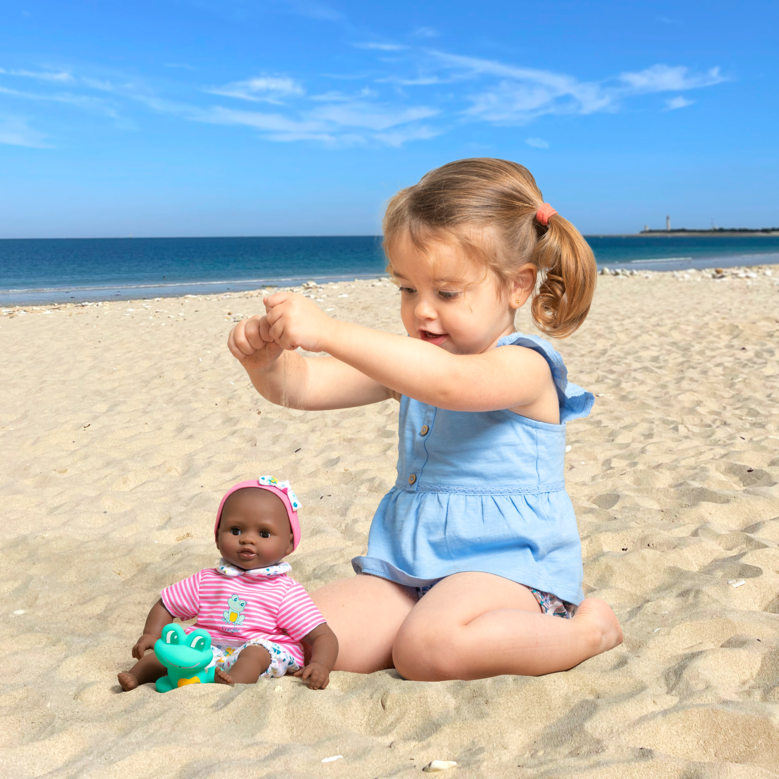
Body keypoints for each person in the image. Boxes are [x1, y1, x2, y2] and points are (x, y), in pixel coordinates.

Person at [227, 158, 623, 682]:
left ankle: (590, 631)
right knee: (299, 632)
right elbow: (304, 387)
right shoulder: (414, 365)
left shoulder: (523, 366)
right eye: (407, 289)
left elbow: (450, 383)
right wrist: (266, 364)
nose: (421, 311)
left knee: (426, 649)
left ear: (517, 286)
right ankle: (418, 620)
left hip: (508, 570)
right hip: (409, 566)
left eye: (447, 293)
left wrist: (329, 331)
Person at [117, 477, 338, 690]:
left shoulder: (284, 590)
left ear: (289, 544)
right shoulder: (207, 580)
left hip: (258, 649)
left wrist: (321, 664)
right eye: (235, 531)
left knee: (255, 653)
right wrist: (152, 635)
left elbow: (322, 635)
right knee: (172, 651)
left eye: (264, 533)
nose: (247, 539)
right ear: (217, 536)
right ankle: (136, 675)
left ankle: (234, 682)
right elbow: (166, 605)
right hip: (208, 649)